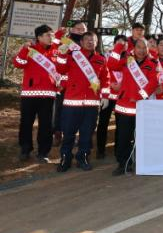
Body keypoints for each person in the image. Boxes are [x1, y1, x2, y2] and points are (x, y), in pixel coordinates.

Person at [55, 31, 109, 172]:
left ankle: (83, 158)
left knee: (87, 134)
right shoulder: (72, 55)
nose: (90, 42)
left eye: (93, 40)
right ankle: (65, 158)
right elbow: (60, 69)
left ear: (96, 43)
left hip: (92, 104)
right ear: (81, 42)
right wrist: (61, 54)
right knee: (68, 133)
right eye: (87, 40)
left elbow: (105, 79)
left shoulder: (101, 59)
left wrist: (105, 96)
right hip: (72, 102)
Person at [107, 38, 159, 175]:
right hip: (124, 107)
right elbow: (111, 65)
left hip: (142, 107)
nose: (141, 50)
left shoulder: (152, 64)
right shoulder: (127, 60)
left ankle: (143, 163)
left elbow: (153, 83)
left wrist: (139, 96)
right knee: (123, 138)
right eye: (139, 47)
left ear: (148, 49)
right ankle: (124, 164)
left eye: (144, 47)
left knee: (142, 138)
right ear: (134, 48)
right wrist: (118, 48)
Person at [13, 24, 60, 163]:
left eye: (52, 35)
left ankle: (43, 152)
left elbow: (61, 70)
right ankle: (25, 150)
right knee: (26, 123)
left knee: (46, 125)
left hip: (49, 95)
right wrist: (24, 49)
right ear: (39, 37)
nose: (51, 37)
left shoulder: (56, 51)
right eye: (48, 35)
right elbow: (18, 63)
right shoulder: (30, 49)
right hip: (29, 94)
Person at [97, 34, 128, 159]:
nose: (121, 45)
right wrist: (109, 86)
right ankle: (100, 150)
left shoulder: (130, 58)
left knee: (121, 125)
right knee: (103, 123)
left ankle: (118, 150)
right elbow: (102, 73)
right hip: (108, 95)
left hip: (122, 95)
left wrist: (122, 85)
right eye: (119, 42)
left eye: (124, 43)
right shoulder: (106, 56)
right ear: (114, 44)